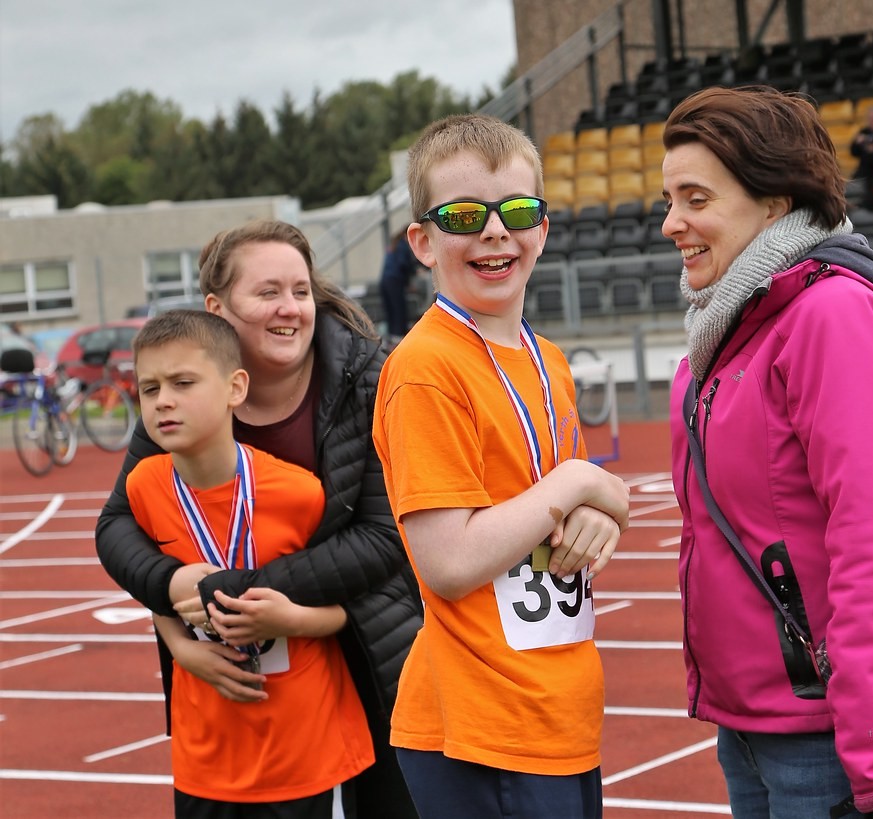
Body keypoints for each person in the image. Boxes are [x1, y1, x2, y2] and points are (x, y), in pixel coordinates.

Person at [660, 86, 873, 818]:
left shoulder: (829, 316)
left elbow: (872, 543)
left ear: (775, 202)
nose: (672, 222)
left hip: (827, 738)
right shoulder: (729, 321)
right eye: (668, 198)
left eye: (696, 197)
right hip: (749, 723)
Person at [94, 219, 422, 819]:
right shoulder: (181, 398)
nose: (291, 309)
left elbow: (384, 536)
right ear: (218, 308)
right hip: (235, 667)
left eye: (300, 291)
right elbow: (121, 522)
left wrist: (241, 593)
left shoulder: (373, 380)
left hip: (368, 646)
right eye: (267, 292)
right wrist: (172, 595)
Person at [372, 113, 631, 819]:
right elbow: (450, 561)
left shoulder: (547, 360)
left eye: (516, 210)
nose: (494, 231)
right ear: (422, 241)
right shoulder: (425, 367)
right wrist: (580, 484)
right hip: (480, 723)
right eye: (464, 214)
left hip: (559, 708)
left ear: (542, 229)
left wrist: (598, 508)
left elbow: (593, 508)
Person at [128, 309, 374, 816]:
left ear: (235, 387)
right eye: (149, 389)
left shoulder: (301, 493)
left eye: (183, 382)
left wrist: (290, 619)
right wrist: (180, 647)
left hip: (308, 750)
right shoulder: (143, 486)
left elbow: (356, 607)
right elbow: (154, 585)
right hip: (206, 757)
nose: (164, 401)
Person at [378, 230, 424, 346]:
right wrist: (414, 271)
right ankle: (398, 337)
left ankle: (392, 336)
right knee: (398, 309)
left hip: (385, 280)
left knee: (390, 310)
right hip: (395, 281)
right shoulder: (403, 245)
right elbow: (403, 263)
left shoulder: (393, 246)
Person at [849, 106, 873, 194]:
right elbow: (853, 152)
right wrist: (857, 143)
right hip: (864, 171)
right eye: (870, 118)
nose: (872, 121)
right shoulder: (864, 131)